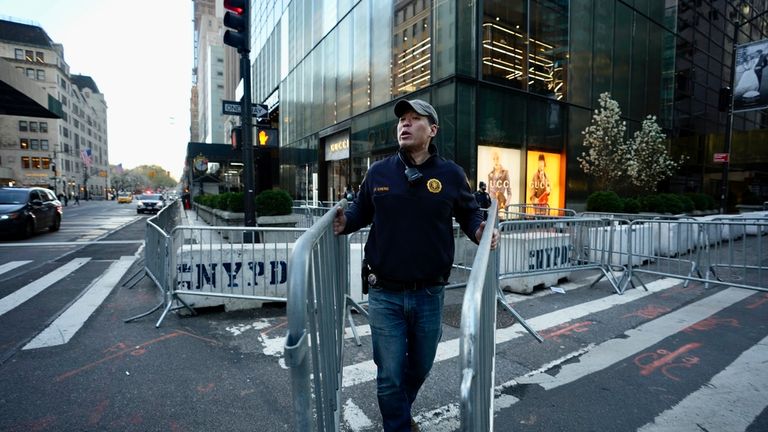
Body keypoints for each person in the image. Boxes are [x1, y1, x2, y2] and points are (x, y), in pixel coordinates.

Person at [333, 99, 498, 432]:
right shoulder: (379, 172)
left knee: (420, 366)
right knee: (389, 375)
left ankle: (398, 415)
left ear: (432, 130)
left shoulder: (451, 175)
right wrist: (342, 222)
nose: (404, 125)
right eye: (401, 121)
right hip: (384, 293)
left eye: (413, 119)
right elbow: (360, 212)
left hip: (429, 293)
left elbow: (469, 214)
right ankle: (399, 426)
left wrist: (482, 230)